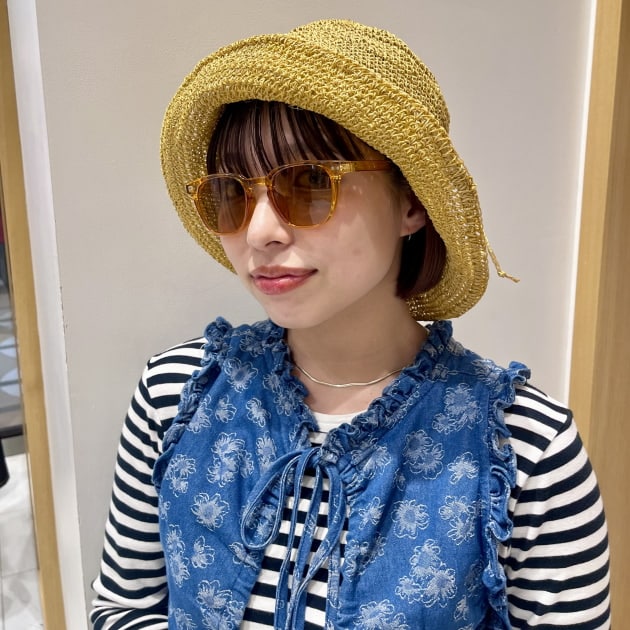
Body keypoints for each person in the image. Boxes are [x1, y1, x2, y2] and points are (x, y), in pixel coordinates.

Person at [90, 19, 611, 630]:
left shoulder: (523, 447)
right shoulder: (177, 393)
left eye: (310, 183)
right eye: (230, 194)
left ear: (411, 202)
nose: (259, 232)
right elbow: (123, 606)